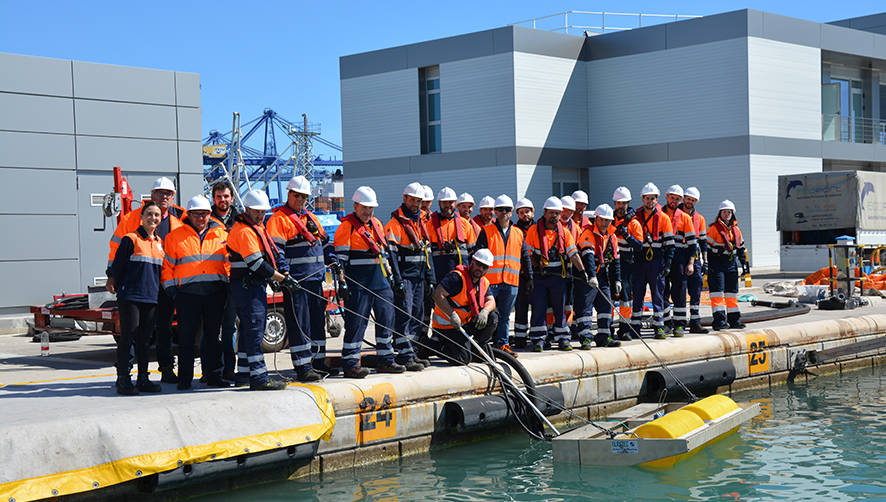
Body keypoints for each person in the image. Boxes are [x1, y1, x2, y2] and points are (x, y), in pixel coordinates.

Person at [106, 176, 184, 383]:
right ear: (152, 195)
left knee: (163, 328)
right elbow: (116, 247)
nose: (164, 196)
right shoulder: (131, 219)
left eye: (168, 193)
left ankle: (165, 369)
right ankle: (124, 374)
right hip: (136, 285)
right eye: (159, 192)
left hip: (163, 285)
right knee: (132, 333)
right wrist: (111, 275)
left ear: (173, 196)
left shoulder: (177, 223)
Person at [266, 176, 337, 381]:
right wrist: (285, 275)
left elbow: (324, 243)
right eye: (297, 195)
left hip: (315, 281)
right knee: (300, 325)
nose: (300, 199)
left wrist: (333, 259)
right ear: (289, 194)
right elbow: (276, 251)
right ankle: (303, 367)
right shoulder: (279, 219)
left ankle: (318, 362)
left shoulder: (310, 218)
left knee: (316, 323)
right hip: (296, 282)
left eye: (304, 196)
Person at [334, 186, 405, 378]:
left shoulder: (377, 225)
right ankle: (350, 363)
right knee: (356, 324)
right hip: (359, 285)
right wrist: (342, 283)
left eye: (371, 208)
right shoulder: (346, 227)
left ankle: (386, 360)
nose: (368, 212)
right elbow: (339, 261)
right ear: (355, 206)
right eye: (364, 207)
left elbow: (384, 256)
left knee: (386, 320)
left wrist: (393, 279)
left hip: (381, 284)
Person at [162, 195, 230, 389]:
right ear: (189, 215)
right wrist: (172, 291)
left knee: (212, 338)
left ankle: (214, 376)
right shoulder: (175, 237)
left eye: (205, 214)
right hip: (187, 295)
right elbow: (167, 267)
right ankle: (185, 379)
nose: (201, 218)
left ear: (210, 214)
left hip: (215, 293)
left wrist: (228, 285)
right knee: (187, 338)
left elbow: (228, 264)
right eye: (197, 214)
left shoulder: (221, 235)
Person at [227, 190, 291, 391]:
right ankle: (259, 378)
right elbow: (256, 264)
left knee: (248, 330)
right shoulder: (245, 231)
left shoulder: (257, 228)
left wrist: (283, 271)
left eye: (263, 212)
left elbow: (272, 254)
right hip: (248, 287)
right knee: (255, 330)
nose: (260, 215)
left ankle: (244, 373)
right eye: (256, 211)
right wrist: (281, 279)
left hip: (252, 286)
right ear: (247, 209)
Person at [107, 201, 164, 395]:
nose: (153, 218)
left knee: (144, 340)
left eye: (157, 215)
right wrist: (113, 281)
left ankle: (143, 379)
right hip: (131, 296)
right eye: (149, 214)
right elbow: (118, 266)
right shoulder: (130, 239)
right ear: (141, 217)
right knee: (128, 338)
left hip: (151, 297)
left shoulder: (159, 242)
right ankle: (123, 379)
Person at [524, 197, 589, 351]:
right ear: (545, 213)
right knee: (539, 308)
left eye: (557, 213)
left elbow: (573, 254)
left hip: (557, 276)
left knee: (560, 308)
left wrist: (583, 271)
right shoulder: (534, 230)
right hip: (540, 276)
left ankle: (563, 338)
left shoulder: (565, 233)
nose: (554, 216)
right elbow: (528, 254)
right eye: (551, 213)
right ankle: (538, 339)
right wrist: (533, 272)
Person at [384, 182, 435, 371]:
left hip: (419, 277)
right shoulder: (395, 225)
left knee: (418, 315)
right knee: (404, 316)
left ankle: (411, 352)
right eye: (412, 200)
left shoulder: (421, 223)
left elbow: (427, 255)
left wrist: (431, 280)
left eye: (418, 201)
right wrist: (397, 280)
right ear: (404, 198)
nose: (415, 204)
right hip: (405, 276)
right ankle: (404, 354)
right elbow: (392, 257)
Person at [474, 195, 529, 357]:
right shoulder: (486, 231)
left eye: (507, 210)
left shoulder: (518, 233)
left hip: (511, 282)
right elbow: (478, 256)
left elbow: (524, 256)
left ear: (512, 212)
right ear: (495, 212)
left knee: (505, 316)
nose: (504, 212)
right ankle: (482, 343)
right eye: (500, 209)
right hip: (490, 282)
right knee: (489, 314)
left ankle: (502, 344)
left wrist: (530, 278)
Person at [620, 183, 674, 339]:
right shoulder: (635, 216)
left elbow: (670, 244)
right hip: (639, 259)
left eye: (653, 198)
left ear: (657, 199)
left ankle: (659, 327)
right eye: (647, 198)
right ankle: (635, 327)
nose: (650, 201)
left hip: (657, 260)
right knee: (637, 294)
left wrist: (668, 264)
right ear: (642, 199)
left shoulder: (663, 218)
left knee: (658, 295)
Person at [431, 249, 498, 365]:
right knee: (463, 359)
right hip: (448, 326)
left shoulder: (484, 282)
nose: (480, 269)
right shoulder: (456, 278)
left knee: (493, 316)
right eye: (479, 264)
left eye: (485, 267)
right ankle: (433, 345)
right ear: (472, 261)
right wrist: (452, 314)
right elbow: (438, 295)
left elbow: (491, 300)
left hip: (464, 324)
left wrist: (485, 312)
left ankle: (476, 348)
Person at [575, 204, 622, 349]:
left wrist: (617, 279)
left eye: (607, 221)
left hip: (602, 275)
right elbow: (588, 256)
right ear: (596, 219)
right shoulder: (588, 233)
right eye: (602, 220)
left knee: (606, 306)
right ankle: (585, 338)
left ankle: (604, 336)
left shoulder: (612, 237)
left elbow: (615, 260)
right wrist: (591, 276)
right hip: (588, 276)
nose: (604, 223)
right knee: (585, 308)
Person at [210, 181, 241, 381]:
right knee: (210, 329)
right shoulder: (204, 217)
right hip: (211, 279)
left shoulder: (240, 220)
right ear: (213, 198)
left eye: (226, 196)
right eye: (219, 196)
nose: (223, 200)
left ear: (231, 198)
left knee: (230, 327)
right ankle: (211, 370)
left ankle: (229, 368)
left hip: (234, 279)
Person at [707, 200, 749, 330]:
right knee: (717, 294)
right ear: (720, 213)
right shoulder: (714, 229)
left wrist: (744, 265)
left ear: (732, 214)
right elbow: (706, 248)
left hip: (731, 264)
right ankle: (719, 321)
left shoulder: (736, 229)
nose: (727, 214)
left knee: (732, 294)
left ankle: (734, 320)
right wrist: (709, 263)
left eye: (729, 212)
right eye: (724, 212)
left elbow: (741, 248)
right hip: (717, 264)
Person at [661, 185, 697, 338]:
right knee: (662, 290)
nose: (674, 201)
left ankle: (680, 325)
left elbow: (692, 244)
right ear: (666, 196)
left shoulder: (685, 217)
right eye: (672, 197)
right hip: (662, 256)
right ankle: (666, 323)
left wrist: (690, 263)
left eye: (677, 199)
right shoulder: (659, 214)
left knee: (680, 292)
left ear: (680, 200)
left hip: (679, 257)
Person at [427, 187, 476, 282]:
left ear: (455, 203)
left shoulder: (465, 224)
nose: (448, 205)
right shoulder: (430, 224)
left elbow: (473, 253)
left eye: (451, 202)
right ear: (439, 203)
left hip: (461, 276)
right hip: (438, 277)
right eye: (445, 202)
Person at [609, 187, 635, 340]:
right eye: (618, 203)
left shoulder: (634, 222)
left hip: (626, 263)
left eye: (623, 203)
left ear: (628, 203)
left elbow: (638, 245)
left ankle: (625, 329)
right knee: (611, 297)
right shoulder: (609, 218)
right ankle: (609, 328)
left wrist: (626, 234)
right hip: (611, 262)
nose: (620, 206)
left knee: (625, 298)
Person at [682, 187, 709, 333]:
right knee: (678, 290)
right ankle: (676, 322)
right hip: (680, 254)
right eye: (688, 199)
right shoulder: (676, 215)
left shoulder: (700, 219)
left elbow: (703, 242)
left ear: (696, 202)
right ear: (684, 198)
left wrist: (705, 261)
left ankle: (695, 321)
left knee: (696, 289)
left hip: (696, 257)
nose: (690, 202)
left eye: (693, 200)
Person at [511, 197, 535, 349]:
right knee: (521, 307)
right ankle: (520, 338)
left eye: (527, 212)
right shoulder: (514, 231)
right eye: (521, 212)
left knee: (539, 307)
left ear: (533, 212)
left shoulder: (539, 229)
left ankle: (537, 336)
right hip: (519, 274)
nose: (525, 215)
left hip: (536, 274)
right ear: (517, 214)